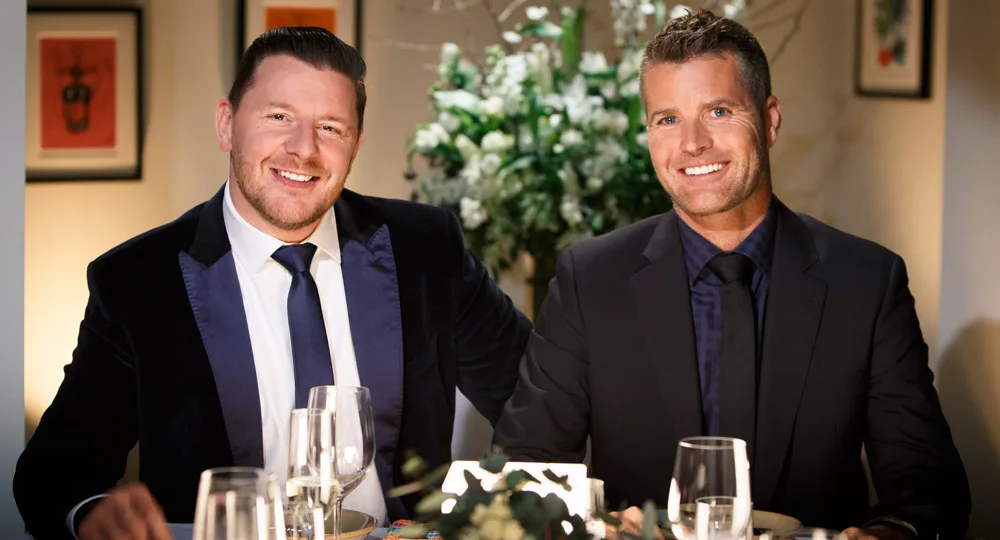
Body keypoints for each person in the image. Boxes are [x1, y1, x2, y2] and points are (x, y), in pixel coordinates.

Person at [14, 26, 531, 540]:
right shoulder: (138, 281)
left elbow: (538, 398)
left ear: (355, 144)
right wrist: (93, 515)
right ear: (226, 124)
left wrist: (512, 509)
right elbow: (53, 479)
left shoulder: (425, 248)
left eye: (330, 127)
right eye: (279, 117)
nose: (303, 149)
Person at [492, 9, 970, 540]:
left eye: (718, 111)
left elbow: (928, 491)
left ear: (769, 121)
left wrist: (886, 535)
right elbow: (524, 470)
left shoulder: (867, 282)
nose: (692, 142)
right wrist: (594, 525)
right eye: (667, 119)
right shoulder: (590, 280)